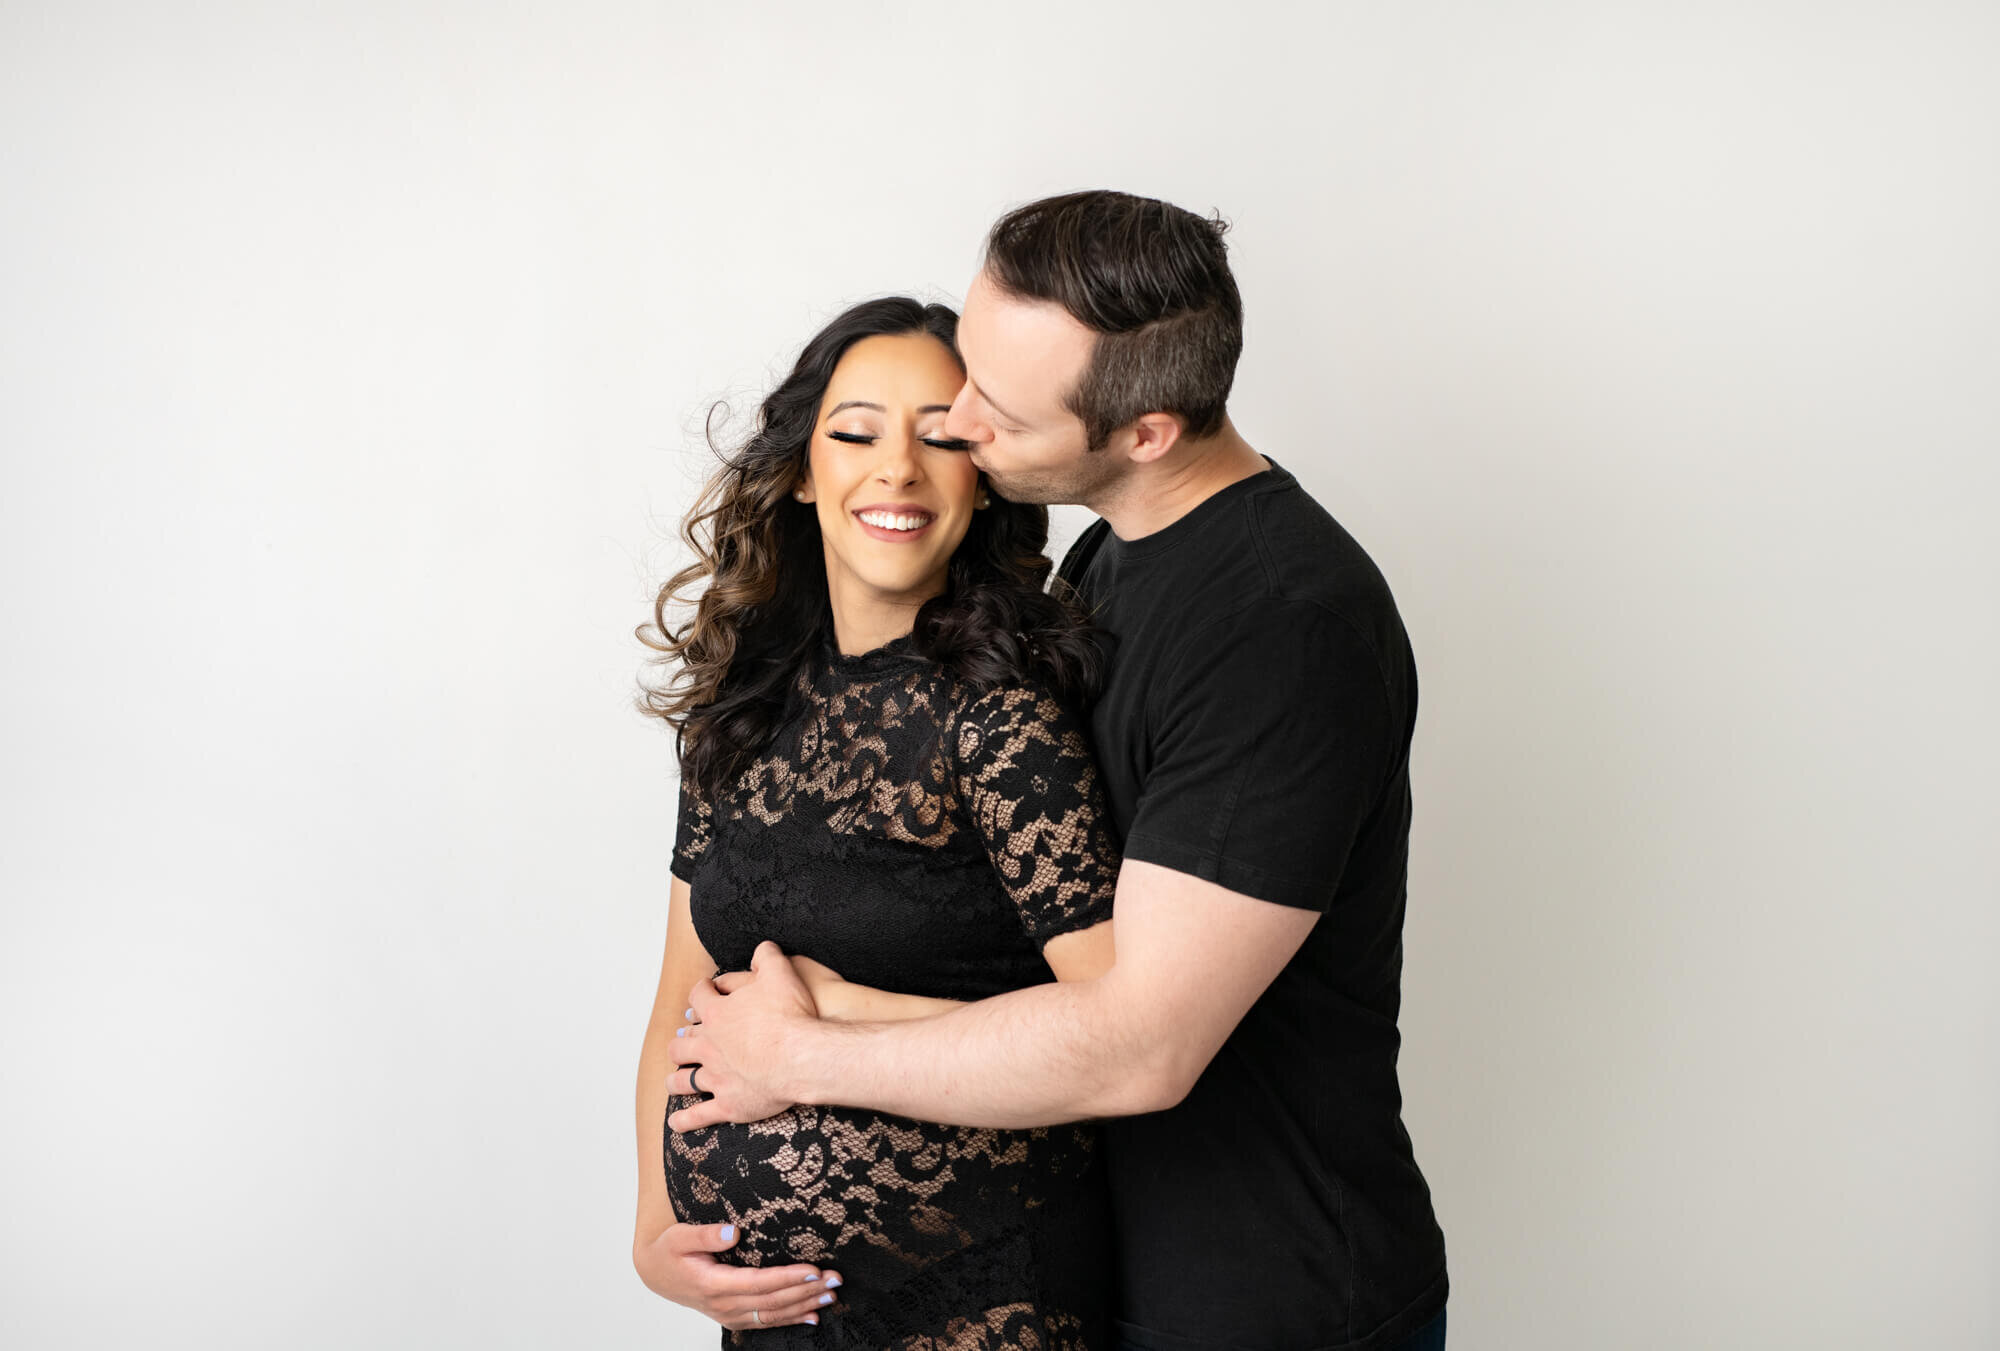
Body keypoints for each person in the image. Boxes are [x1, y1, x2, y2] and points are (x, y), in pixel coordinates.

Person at [668, 192, 1450, 1351]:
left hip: (1257, 1299)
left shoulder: (1283, 624)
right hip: (1103, 1260)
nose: (959, 421)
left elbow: (1138, 1043)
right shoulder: (1107, 560)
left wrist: (801, 1045)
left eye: (996, 405)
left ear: (1145, 431)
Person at [632, 296, 1126, 1348]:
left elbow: (1117, 1028)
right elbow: (683, 992)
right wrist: (652, 1226)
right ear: (803, 471)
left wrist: (838, 1015)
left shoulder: (999, 716)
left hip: (986, 1297)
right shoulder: (741, 708)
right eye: (855, 432)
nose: (896, 467)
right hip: (783, 1319)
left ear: (979, 479)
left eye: (938, 436)